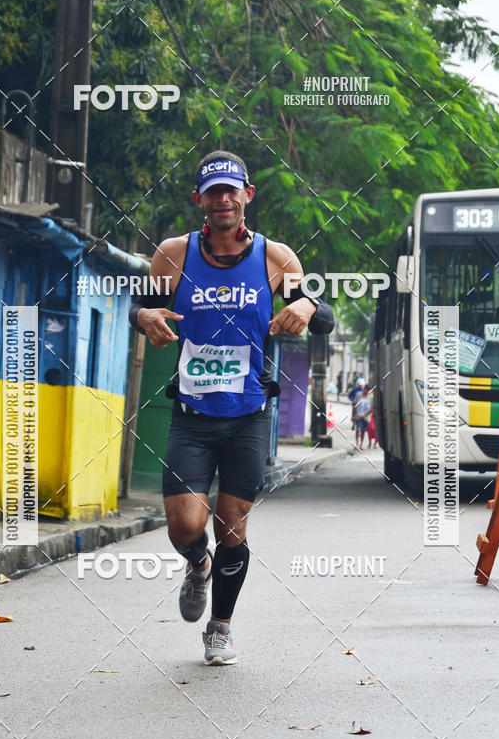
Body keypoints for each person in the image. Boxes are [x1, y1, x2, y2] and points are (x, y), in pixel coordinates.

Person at [129, 150, 334, 665]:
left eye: (231, 190)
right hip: (192, 417)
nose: (223, 199)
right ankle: (197, 565)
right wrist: (144, 317)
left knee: (233, 526)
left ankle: (220, 627)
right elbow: (140, 305)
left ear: (247, 196)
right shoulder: (174, 254)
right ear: (199, 199)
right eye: (212, 191)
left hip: (248, 415)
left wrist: (307, 303)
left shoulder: (276, 259)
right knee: (184, 526)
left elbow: (324, 314)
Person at [354, 384, 373, 450]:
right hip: (358, 416)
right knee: (358, 429)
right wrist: (352, 416)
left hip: (366, 417)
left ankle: (361, 444)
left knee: (363, 431)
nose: (366, 392)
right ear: (364, 389)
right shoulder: (358, 395)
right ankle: (356, 444)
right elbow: (354, 404)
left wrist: (365, 415)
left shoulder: (371, 397)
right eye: (366, 390)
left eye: (368, 391)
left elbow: (372, 409)